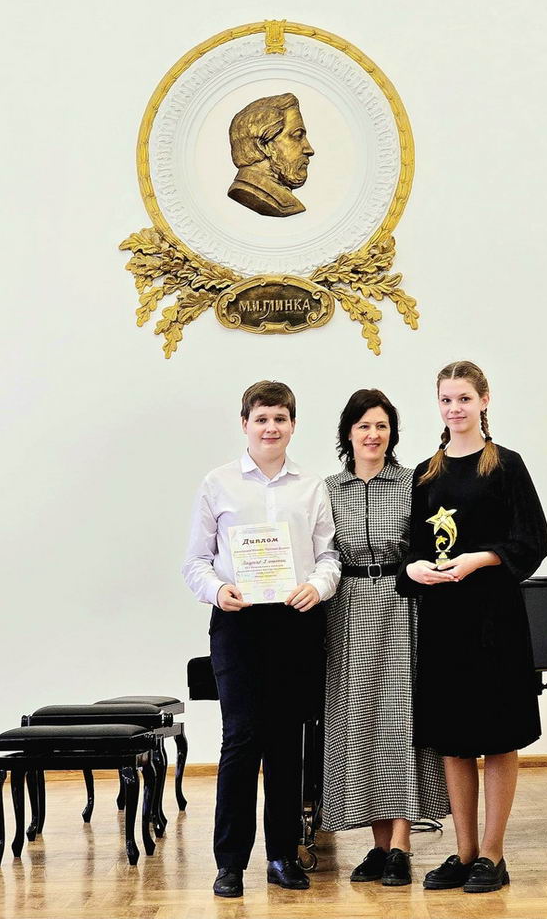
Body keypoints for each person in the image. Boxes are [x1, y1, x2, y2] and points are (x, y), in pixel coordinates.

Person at [182, 380, 340, 898]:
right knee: (240, 739)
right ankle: (229, 863)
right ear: (245, 424)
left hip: (295, 622)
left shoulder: (311, 486)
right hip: (239, 623)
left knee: (286, 743)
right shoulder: (218, 483)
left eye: (280, 419)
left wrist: (318, 586)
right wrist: (217, 589)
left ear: (293, 424)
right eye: (261, 419)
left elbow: (328, 556)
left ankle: (281, 856)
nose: (271, 428)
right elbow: (195, 562)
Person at [396, 361, 547, 894]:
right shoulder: (426, 473)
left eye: (463, 398)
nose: (454, 408)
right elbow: (413, 549)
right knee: (454, 740)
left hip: (494, 620)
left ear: (484, 400)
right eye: (446, 399)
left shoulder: (506, 465)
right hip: (444, 622)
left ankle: (492, 854)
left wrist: (480, 559)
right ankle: (463, 854)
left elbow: (533, 540)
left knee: (499, 736)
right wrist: (415, 569)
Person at [324, 389, 450, 887]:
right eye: (364, 426)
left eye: (381, 426)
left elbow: (428, 546)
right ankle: (378, 847)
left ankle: (401, 845)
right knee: (360, 724)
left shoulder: (413, 483)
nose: (373, 435)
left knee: (401, 720)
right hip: (346, 608)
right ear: (348, 433)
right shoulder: (328, 489)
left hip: (402, 604)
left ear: (392, 432)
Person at [227, 93, 314, 216]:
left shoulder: (284, 201)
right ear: (264, 145)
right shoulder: (280, 202)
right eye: (297, 136)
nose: (309, 149)